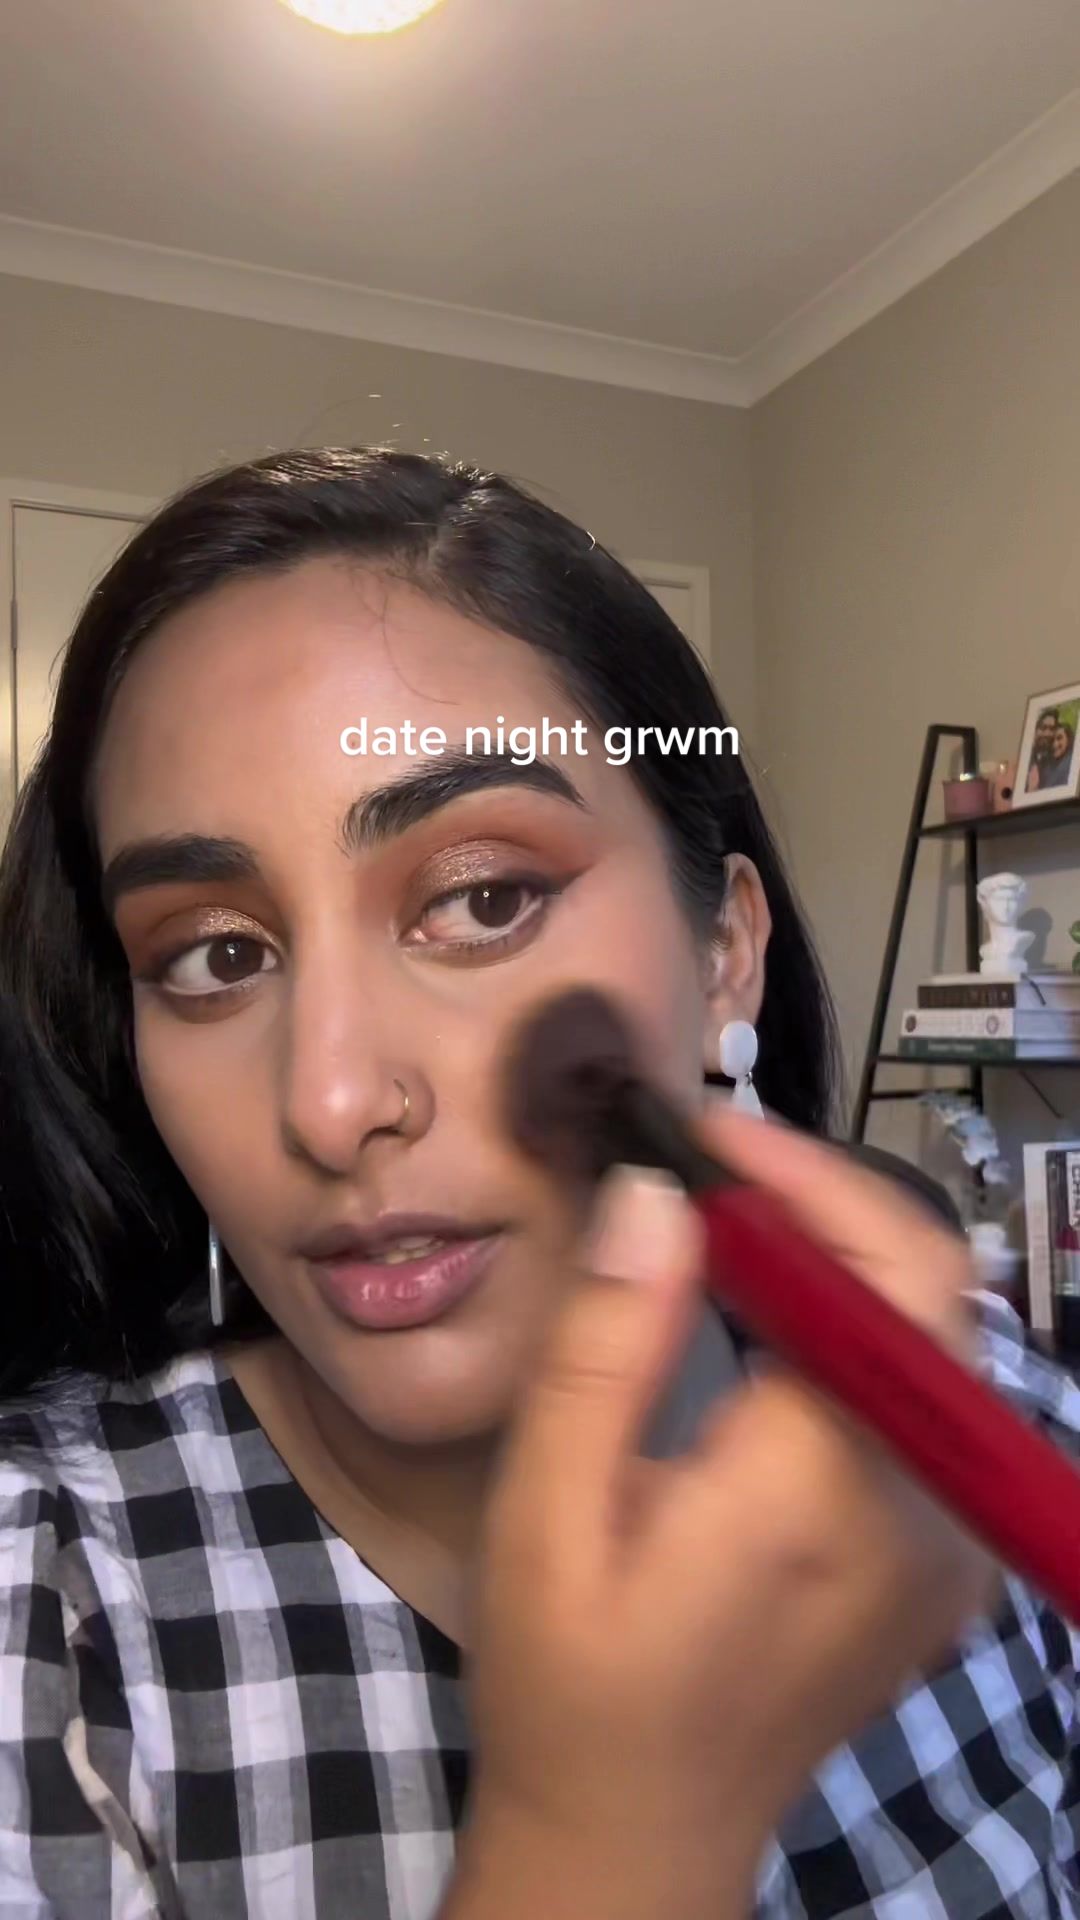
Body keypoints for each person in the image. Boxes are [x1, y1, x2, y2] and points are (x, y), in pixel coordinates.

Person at [0, 448, 1077, 1919]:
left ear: (723, 952)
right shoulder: (44, 1611)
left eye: (484, 898)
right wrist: (605, 1838)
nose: (330, 1104)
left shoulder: (992, 1409)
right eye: (216, 955)